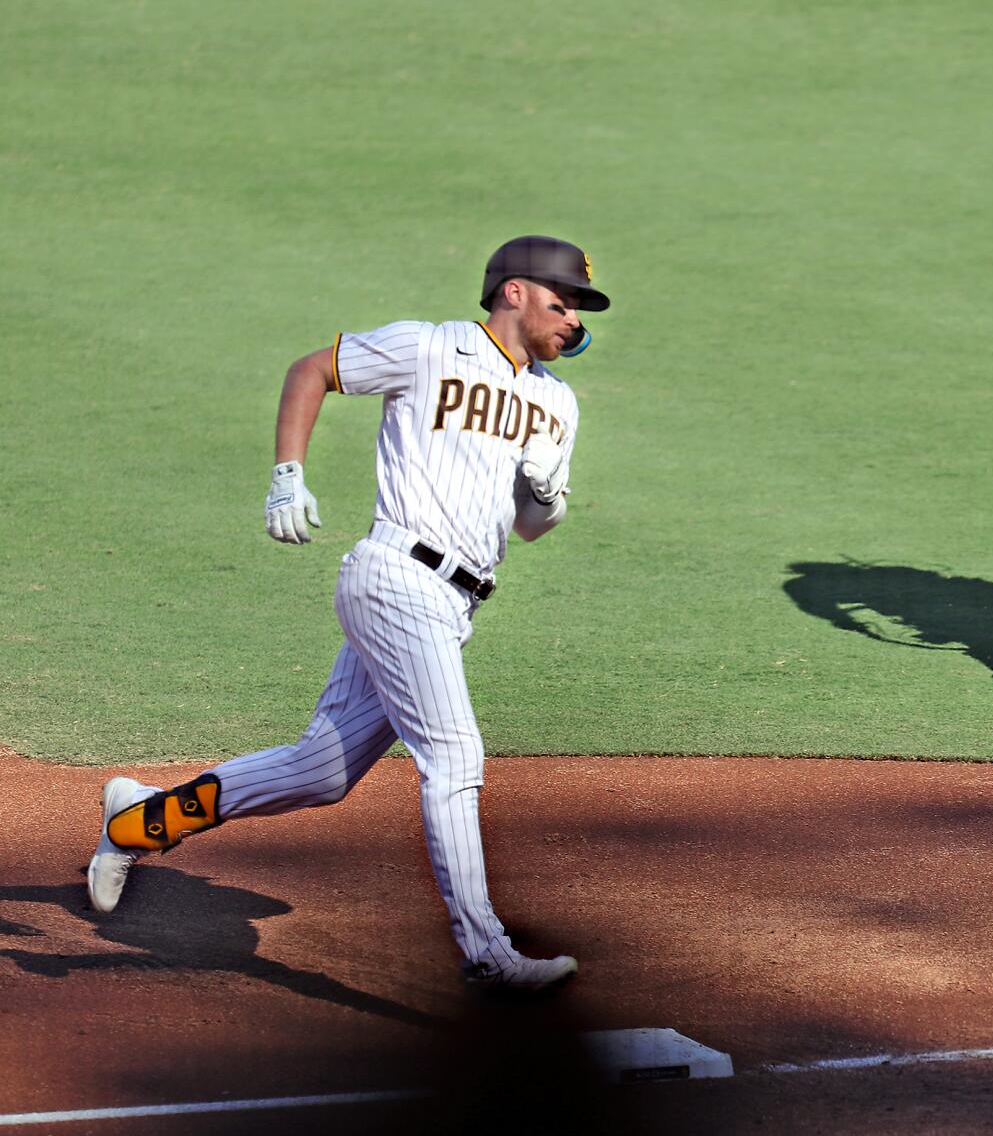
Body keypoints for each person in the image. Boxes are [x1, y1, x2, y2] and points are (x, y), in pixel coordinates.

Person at [87, 235, 610, 991]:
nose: (573, 320)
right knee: (455, 757)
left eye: (582, 310)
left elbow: (531, 527)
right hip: (396, 576)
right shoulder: (428, 349)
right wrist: (286, 475)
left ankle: (136, 820)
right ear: (515, 292)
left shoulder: (558, 402)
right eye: (563, 301)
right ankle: (486, 951)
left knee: (321, 770)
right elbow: (314, 370)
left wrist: (546, 495)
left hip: (456, 602)